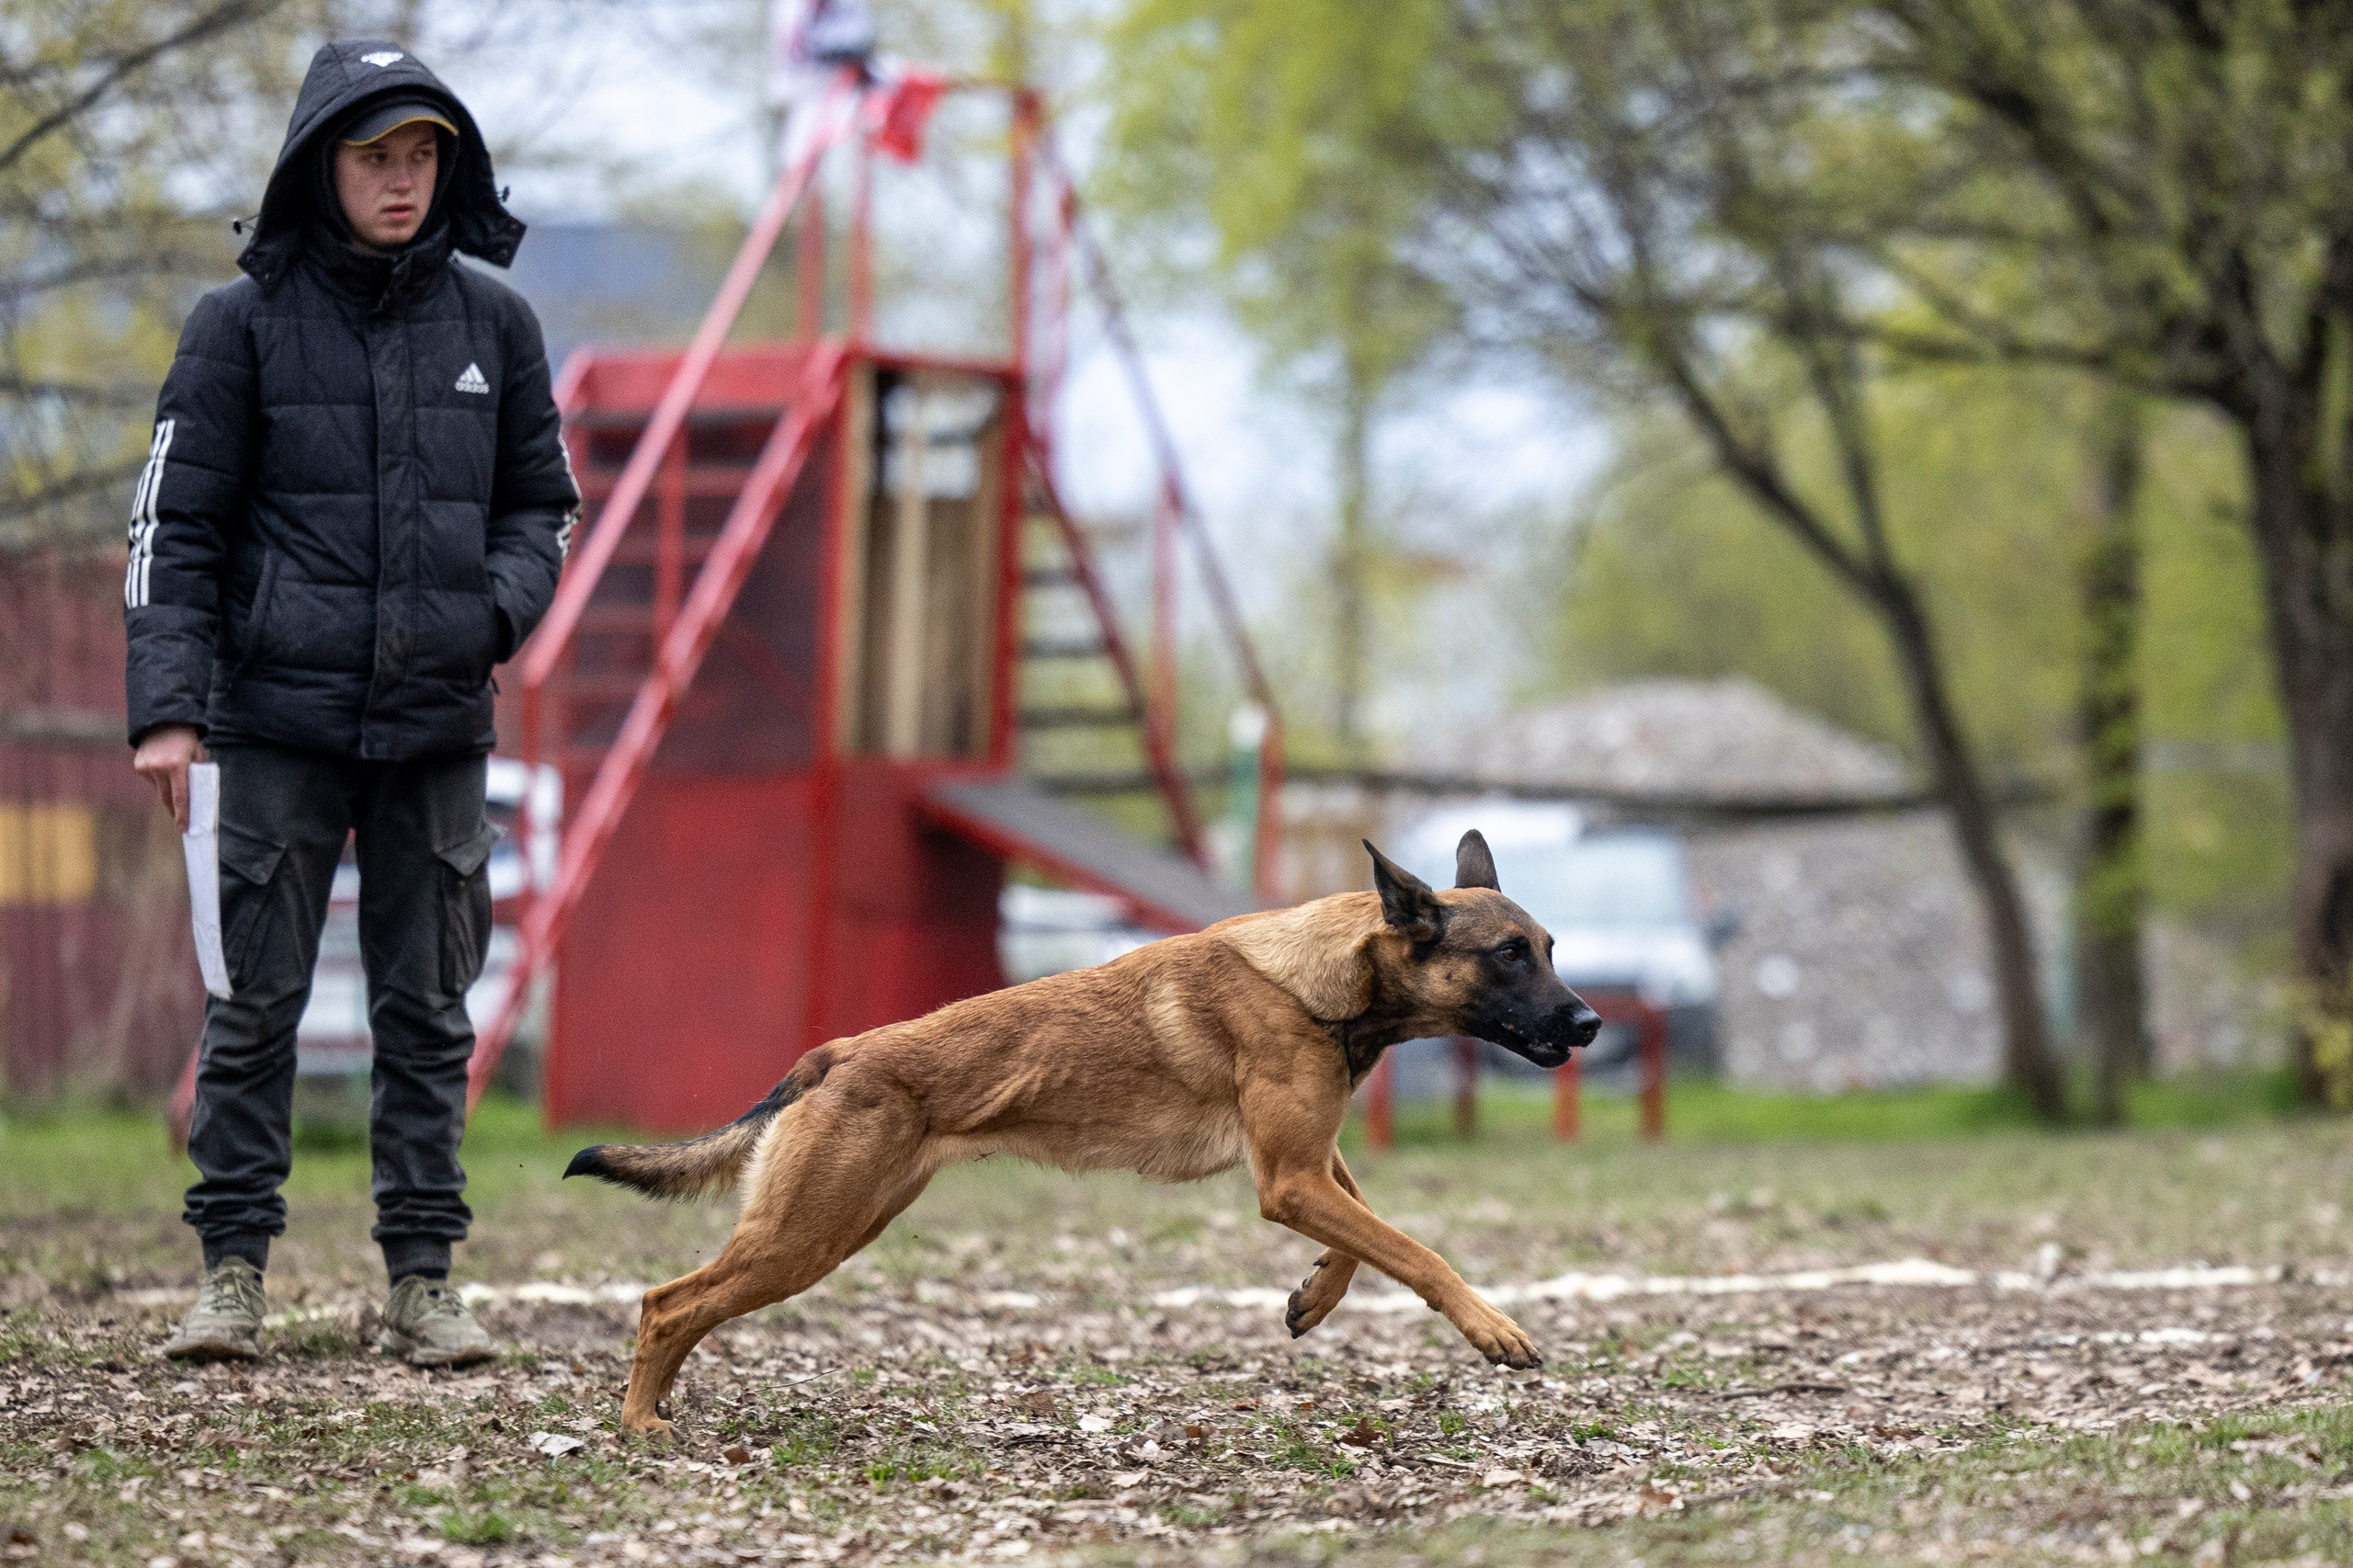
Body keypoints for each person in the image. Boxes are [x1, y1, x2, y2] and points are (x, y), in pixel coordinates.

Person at [125, 40, 577, 1364]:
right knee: (253, 1004)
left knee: (428, 1008)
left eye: (423, 154)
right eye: (377, 155)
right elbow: (174, 528)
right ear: (320, 164)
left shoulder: (498, 325)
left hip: (436, 727)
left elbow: (539, 509)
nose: (403, 179)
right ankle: (230, 1277)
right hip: (272, 722)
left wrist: (486, 616)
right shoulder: (238, 324)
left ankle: (424, 1281)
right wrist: (168, 706)